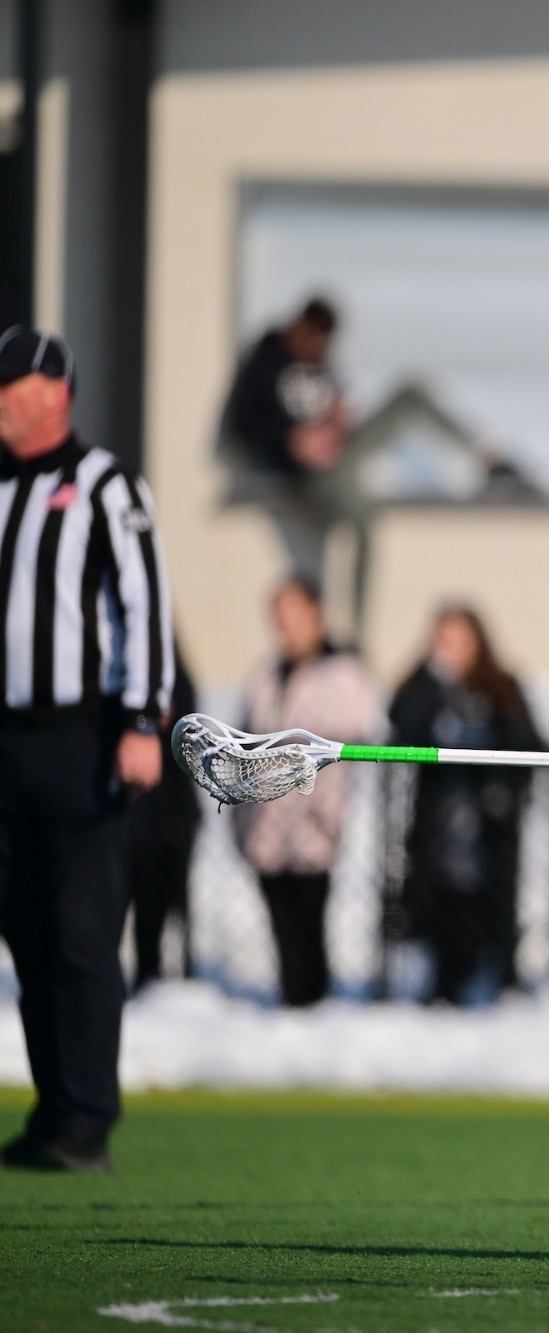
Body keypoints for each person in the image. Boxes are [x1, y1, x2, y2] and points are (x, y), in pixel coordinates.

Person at [0, 328, 173, 1173]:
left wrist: (142, 720)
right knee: (26, 933)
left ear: (55, 390)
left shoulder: (103, 485)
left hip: (80, 736)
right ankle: (53, 1107)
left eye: (10, 385)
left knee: (79, 932)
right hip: (6, 741)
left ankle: (88, 1118)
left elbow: (145, 605)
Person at [232, 578, 382, 1007]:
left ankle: (312, 1004)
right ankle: (291, 1003)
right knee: (279, 922)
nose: (285, 626)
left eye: (294, 613)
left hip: (314, 821)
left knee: (309, 921)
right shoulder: (267, 675)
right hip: (264, 822)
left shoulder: (343, 675)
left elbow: (347, 736)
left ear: (316, 614)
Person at [389, 606, 541, 1006]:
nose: (451, 651)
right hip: (437, 827)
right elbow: (401, 726)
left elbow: (527, 743)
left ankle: (501, 985)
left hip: (489, 829)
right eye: (443, 642)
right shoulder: (423, 689)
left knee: (491, 911)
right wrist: (433, 683)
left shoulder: (502, 688)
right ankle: (443, 987)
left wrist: (501, 790)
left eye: (459, 642)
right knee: (438, 907)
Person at [221, 297, 367, 621]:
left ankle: (341, 631)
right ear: (300, 327)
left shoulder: (323, 365)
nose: (315, 349)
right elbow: (243, 424)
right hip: (285, 478)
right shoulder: (265, 361)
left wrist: (335, 425)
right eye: (312, 340)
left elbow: (337, 411)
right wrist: (291, 439)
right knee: (310, 560)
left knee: (360, 525)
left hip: (326, 472)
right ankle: (314, 637)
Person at [128, 649, 198, 991]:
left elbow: (180, 727)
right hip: (124, 821)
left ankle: (158, 981)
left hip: (162, 819)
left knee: (159, 907)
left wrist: (140, 723)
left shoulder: (168, 675)